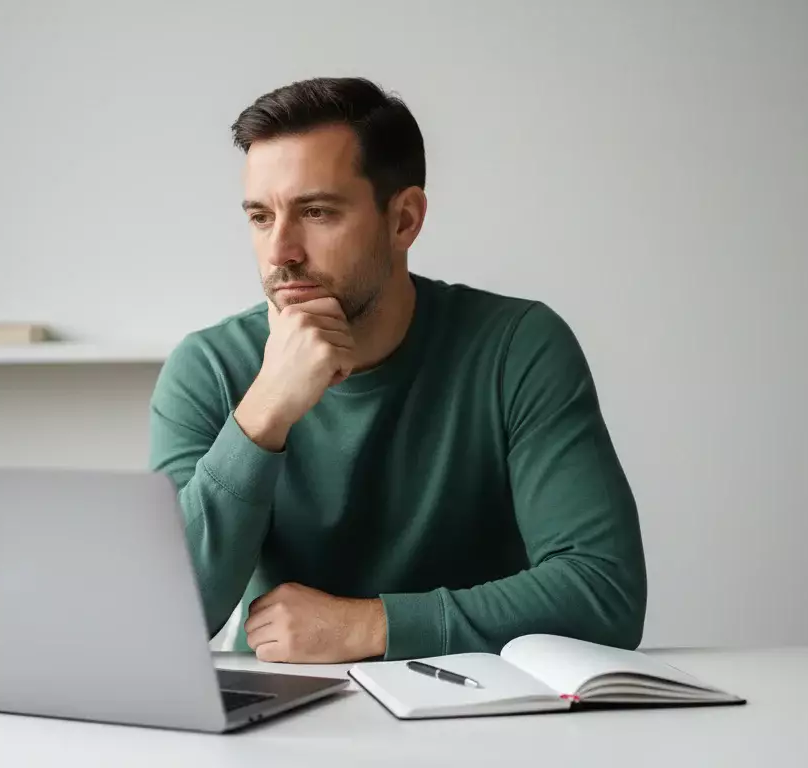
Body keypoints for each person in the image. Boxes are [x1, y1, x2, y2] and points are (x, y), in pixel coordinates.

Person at [148, 76, 646, 663]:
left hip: (486, 719)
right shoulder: (208, 367)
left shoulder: (518, 347)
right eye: (261, 217)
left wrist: (370, 627)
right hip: (290, 732)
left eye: (316, 212)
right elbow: (163, 621)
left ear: (404, 219)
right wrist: (263, 414)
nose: (281, 251)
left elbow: (604, 591)